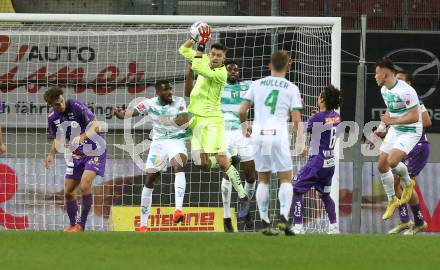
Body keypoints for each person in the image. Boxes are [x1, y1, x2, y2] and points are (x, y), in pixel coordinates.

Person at [179, 24, 249, 214]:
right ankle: (229, 158)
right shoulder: (203, 61)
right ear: (210, 55)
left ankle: (243, 196)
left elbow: (198, 67)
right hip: (197, 121)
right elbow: (183, 50)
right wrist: (194, 39)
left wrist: (201, 44)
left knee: (221, 158)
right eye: (214, 54)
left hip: (213, 121)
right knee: (200, 163)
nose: (216, 58)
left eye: (219, 56)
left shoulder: (221, 73)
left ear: (224, 59)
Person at [185, 60, 256, 232]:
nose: (233, 71)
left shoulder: (247, 86)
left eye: (236, 69)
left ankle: (244, 208)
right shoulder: (214, 86)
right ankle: (226, 217)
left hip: (241, 132)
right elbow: (189, 92)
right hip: (222, 131)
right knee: (227, 172)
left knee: (251, 175)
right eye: (230, 69)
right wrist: (190, 70)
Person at [239, 50, 302, 236]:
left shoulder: (256, 84)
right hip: (278, 132)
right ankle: (283, 218)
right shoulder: (291, 88)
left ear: (269, 65)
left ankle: (265, 222)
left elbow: (242, 110)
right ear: (288, 65)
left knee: (263, 179)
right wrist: (299, 142)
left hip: (258, 133)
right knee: (286, 178)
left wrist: (245, 127)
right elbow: (296, 119)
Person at [112, 80, 189, 232]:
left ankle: (178, 210)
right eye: (166, 90)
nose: (170, 92)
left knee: (178, 165)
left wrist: (166, 120)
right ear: (158, 93)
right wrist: (120, 114)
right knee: (150, 179)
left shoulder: (179, 101)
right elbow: (130, 113)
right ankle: (143, 224)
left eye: (170, 89)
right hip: (158, 144)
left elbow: (183, 120)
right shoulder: (149, 104)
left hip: (176, 141)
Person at [44, 86, 106, 232]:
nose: (61, 105)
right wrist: (51, 154)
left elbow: (96, 126)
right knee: (68, 192)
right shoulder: (52, 117)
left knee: (85, 185)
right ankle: (73, 224)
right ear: (51, 105)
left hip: (95, 149)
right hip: (77, 154)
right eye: (57, 104)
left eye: (61, 101)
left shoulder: (76, 105)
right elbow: (58, 138)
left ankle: (81, 225)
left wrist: (82, 137)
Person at [382, 70, 429, 235]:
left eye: (401, 80)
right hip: (406, 144)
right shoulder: (395, 100)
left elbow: (427, 121)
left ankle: (417, 221)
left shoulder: (415, 100)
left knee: (401, 183)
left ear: (408, 84)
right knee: (396, 182)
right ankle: (407, 221)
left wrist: (402, 123)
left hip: (417, 145)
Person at [374, 58, 422, 221]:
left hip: (411, 130)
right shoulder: (384, 90)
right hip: (396, 129)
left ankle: (408, 184)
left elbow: (415, 117)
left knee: (392, 161)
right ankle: (392, 200)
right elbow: (391, 109)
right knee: (381, 165)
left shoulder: (406, 91)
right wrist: (381, 129)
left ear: (385, 74)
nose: (375, 76)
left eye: (377, 73)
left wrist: (391, 122)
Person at [291, 85, 342, 234]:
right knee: (325, 195)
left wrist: (297, 110)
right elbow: (326, 127)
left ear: (323, 100)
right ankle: (334, 227)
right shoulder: (338, 117)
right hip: (330, 162)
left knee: (296, 189)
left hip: (317, 162)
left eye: (320, 96)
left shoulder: (317, 118)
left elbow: (298, 129)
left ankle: (298, 227)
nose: (318, 98)